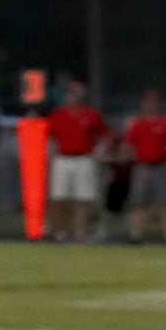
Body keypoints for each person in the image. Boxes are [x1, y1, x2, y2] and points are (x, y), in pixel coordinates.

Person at [46, 82, 107, 244]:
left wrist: (99, 152)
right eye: (71, 94)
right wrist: (50, 158)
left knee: (83, 198)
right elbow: (52, 139)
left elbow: (102, 136)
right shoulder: (58, 115)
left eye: (77, 93)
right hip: (63, 158)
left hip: (84, 158)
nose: (74, 97)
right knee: (59, 197)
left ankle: (80, 233)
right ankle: (61, 230)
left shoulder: (92, 115)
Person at [122, 90, 166, 243]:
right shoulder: (137, 124)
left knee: (165, 200)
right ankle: (136, 234)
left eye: (153, 102)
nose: (150, 105)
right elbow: (129, 144)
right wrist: (132, 155)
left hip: (161, 165)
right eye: (147, 102)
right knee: (137, 200)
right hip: (142, 165)